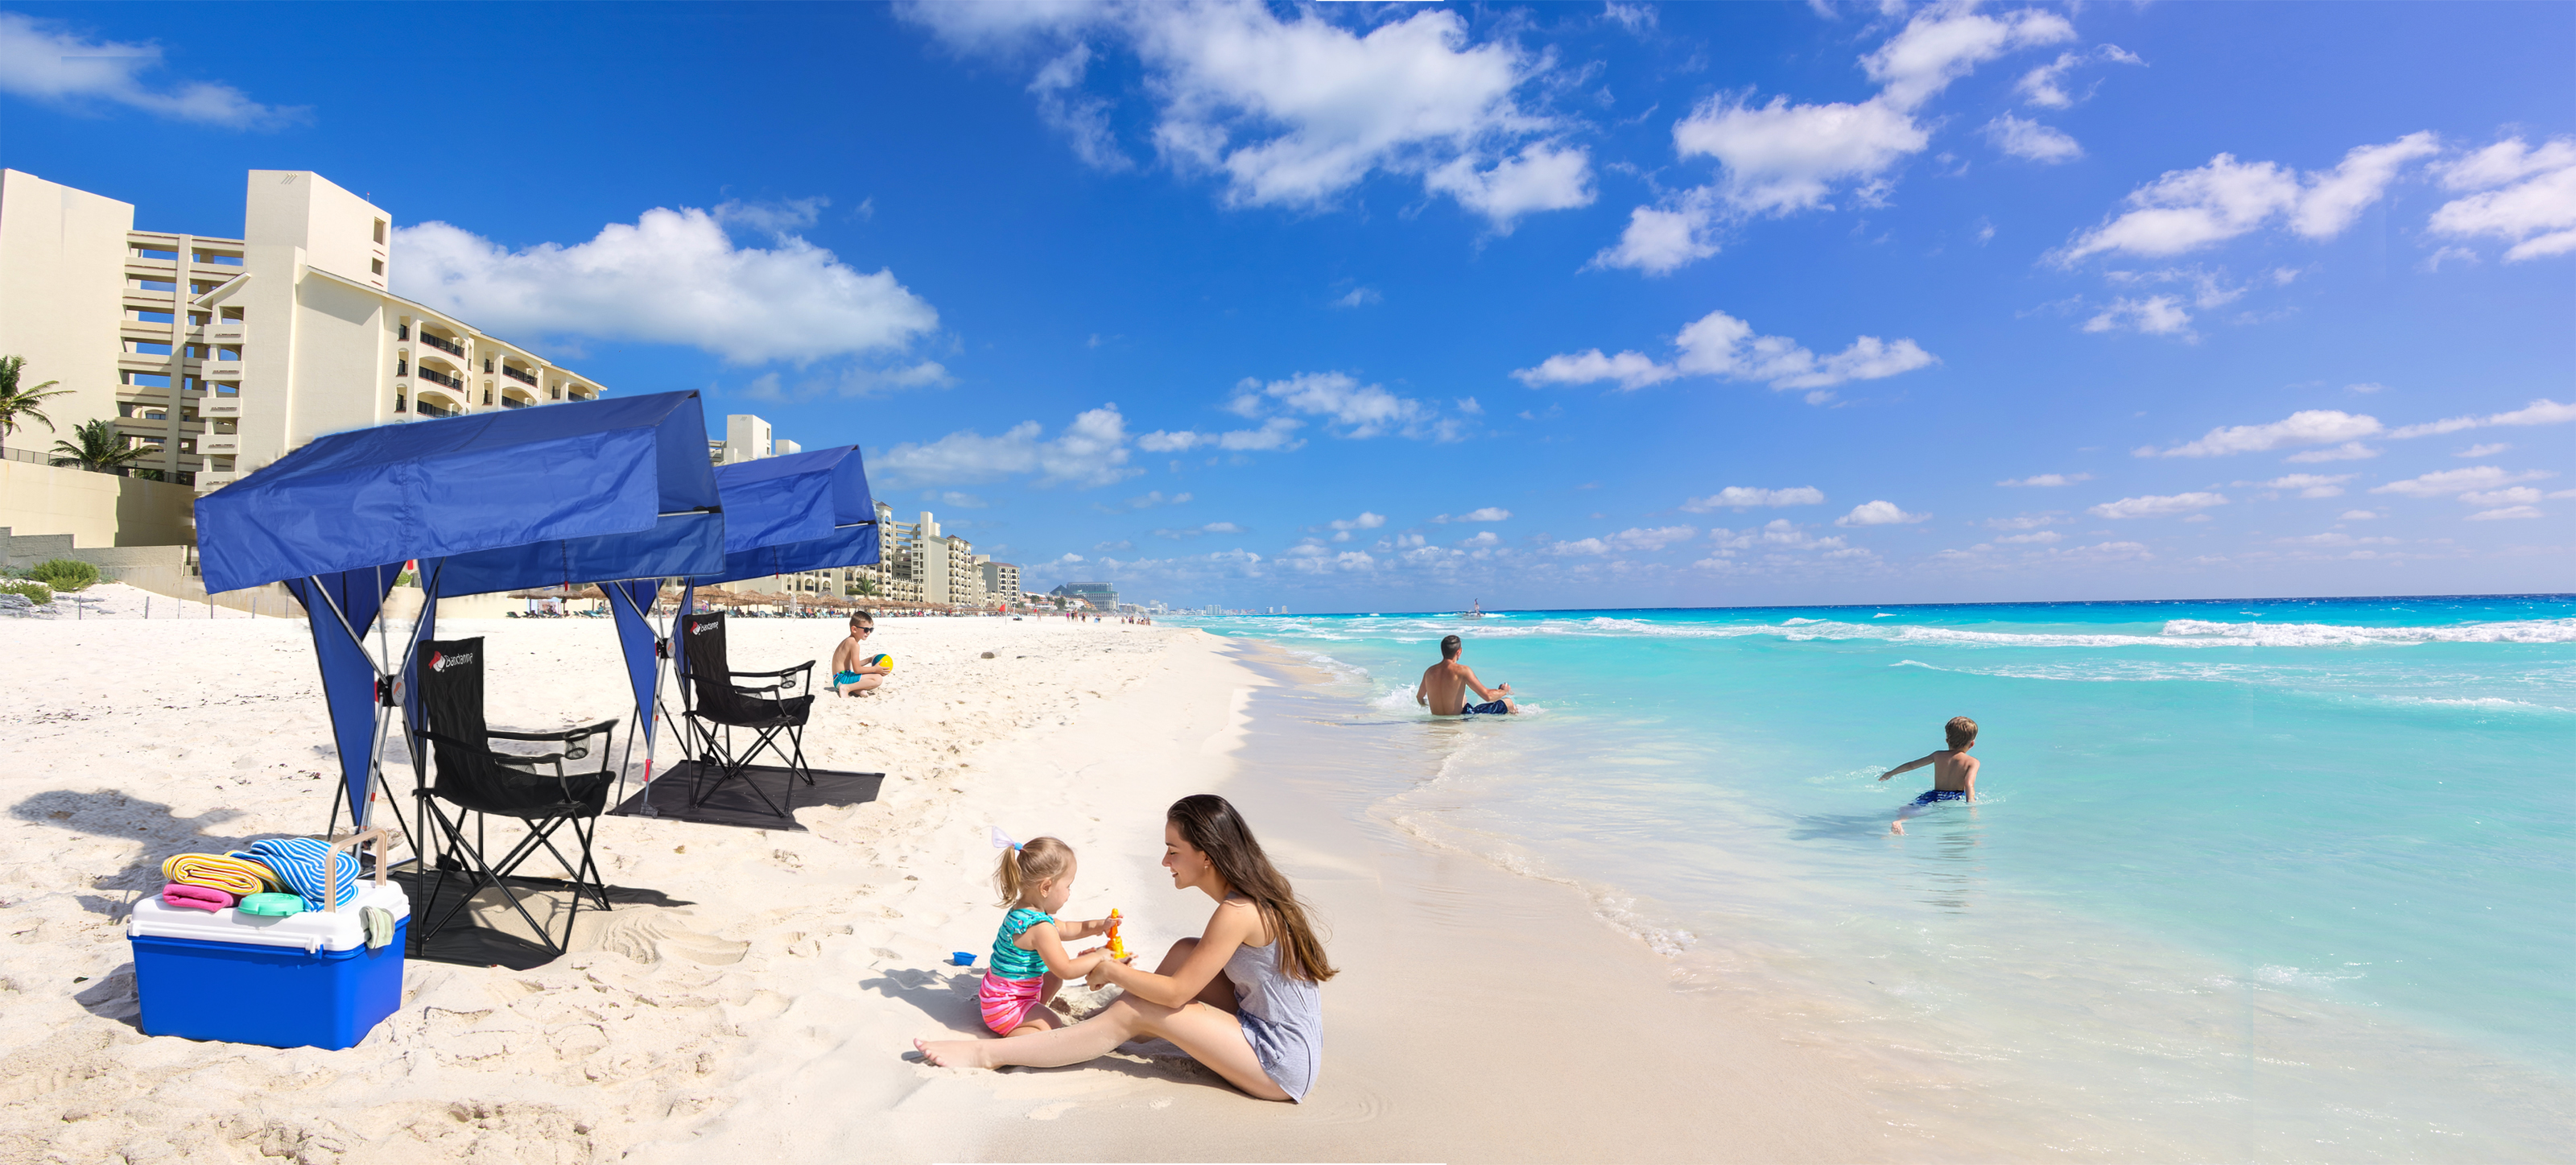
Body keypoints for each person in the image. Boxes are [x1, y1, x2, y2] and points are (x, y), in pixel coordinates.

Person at [915, 794, 1335, 1103]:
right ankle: (1097, 1029)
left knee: (1142, 1008)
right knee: (1185, 951)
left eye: (1173, 851)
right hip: (1270, 1029)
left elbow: (1174, 995)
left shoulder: (1237, 911)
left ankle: (988, 1053)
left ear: (1206, 857)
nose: (1165, 861)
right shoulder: (1248, 897)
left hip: (1279, 1062)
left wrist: (1110, 969)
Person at [978, 837, 1116, 1037]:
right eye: (1068, 886)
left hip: (996, 996)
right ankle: (1012, 1037)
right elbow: (1066, 969)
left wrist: (1100, 926)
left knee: (1051, 975)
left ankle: (1034, 1009)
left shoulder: (1023, 911)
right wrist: (1100, 956)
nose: (1069, 893)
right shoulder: (1040, 928)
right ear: (1046, 887)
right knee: (1052, 1025)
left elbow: (1067, 928)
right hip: (1006, 1009)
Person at [1878, 716, 1980, 835]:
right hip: (1955, 797)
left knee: (1911, 808)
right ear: (1972, 744)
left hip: (1934, 794)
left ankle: (1899, 822)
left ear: (1947, 740)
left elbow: (1911, 765)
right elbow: (1969, 784)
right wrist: (1971, 807)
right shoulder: (1973, 762)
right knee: (1953, 824)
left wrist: (1890, 773)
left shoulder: (1937, 755)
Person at [1416, 633, 1515, 715]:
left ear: (1442, 651)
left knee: (1463, 698)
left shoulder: (1430, 672)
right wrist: (1503, 691)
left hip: (1438, 723)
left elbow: (1420, 698)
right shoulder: (1462, 670)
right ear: (1459, 651)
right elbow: (1487, 696)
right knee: (1508, 702)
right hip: (1462, 720)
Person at [829, 611, 890, 696]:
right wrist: (874, 669)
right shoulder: (854, 644)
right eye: (866, 629)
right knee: (878, 678)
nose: (868, 632)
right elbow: (857, 669)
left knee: (873, 674)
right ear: (854, 629)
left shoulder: (849, 641)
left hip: (839, 678)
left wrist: (869, 660)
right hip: (842, 679)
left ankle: (855, 689)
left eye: (871, 629)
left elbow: (852, 665)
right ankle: (847, 688)